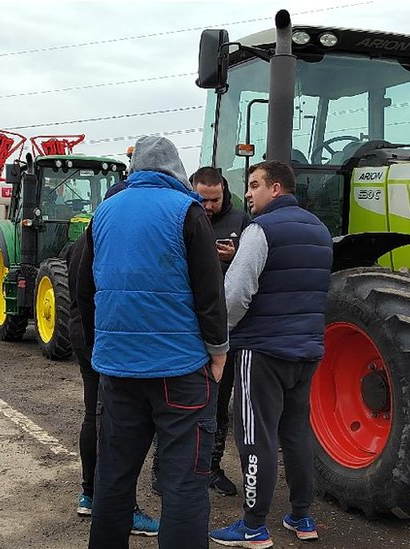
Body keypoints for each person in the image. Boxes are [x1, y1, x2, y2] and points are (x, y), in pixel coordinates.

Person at [77, 136, 228, 549]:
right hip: (179, 371)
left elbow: (84, 290)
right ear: (176, 170)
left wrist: (98, 352)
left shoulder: (103, 213)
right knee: (183, 483)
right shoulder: (187, 211)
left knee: (114, 477)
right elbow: (209, 292)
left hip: (118, 371)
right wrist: (218, 351)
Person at [209, 160, 332, 548]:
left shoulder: (260, 230)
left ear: (275, 188)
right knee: (295, 432)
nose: (248, 193)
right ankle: (301, 516)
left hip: (261, 351)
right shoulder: (320, 230)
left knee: (254, 435)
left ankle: (253, 525)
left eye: (254, 184)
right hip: (306, 350)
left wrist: (218, 336)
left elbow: (236, 293)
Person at [67, 182, 159, 537]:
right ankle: (123, 507)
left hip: (85, 334)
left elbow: (80, 294)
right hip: (103, 338)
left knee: (95, 414)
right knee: (117, 427)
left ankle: (89, 493)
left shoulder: (82, 242)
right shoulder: (107, 240)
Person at [190, 166, 252, 497]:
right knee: (181, 402)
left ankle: (212, 467)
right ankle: (171, 468)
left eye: (215, 199)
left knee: (219, 400)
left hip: (226, 328)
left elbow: (253, 265)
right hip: (187, 326)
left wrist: (235, 255)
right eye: (203, 199)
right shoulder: (184, 215)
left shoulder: (240, 221)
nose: (210, 206)